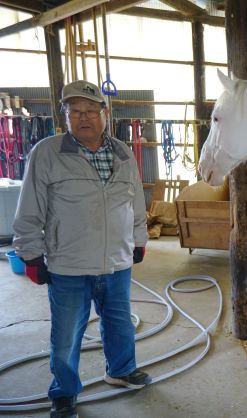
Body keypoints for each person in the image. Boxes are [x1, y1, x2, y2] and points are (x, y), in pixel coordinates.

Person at [13, 80, 150, 418]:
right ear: (66, 116)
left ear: (105, 114)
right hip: (69, 264)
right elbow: (30, 208)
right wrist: (30, 254)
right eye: (75, 112)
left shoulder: (122, 153)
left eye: (90, 111)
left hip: (117, 262)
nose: (83, 118)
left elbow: (135, 204)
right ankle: (64, 392)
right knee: (66, 334)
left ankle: (120, 370)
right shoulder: (47, 152)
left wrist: (140, 240)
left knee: (118, 324)